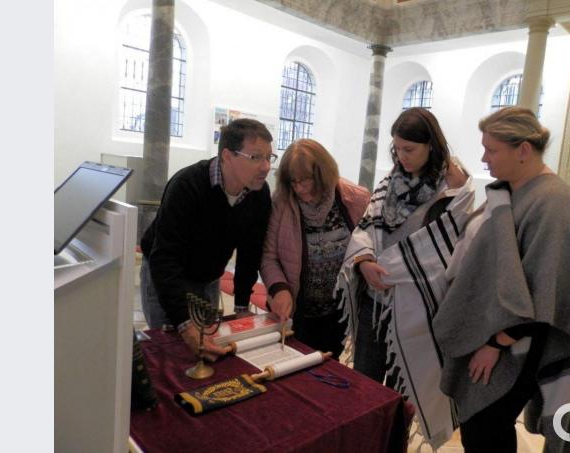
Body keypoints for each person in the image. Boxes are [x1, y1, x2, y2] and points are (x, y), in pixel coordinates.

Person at [433, 107, 570, 453]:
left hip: (521, 343)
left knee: (486, 426)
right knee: (483, 427)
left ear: (523, 150)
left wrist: (496, 343)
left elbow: (547, 296)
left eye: (492, 150)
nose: (484, 158)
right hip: (501, 335)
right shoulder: (511, 191)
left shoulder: (553, 202)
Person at [335, 107, 474, 449]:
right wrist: (365, 260)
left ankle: (393, 445)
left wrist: (397, 268)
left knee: (402, 390)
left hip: (415, 306)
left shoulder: (453, 188)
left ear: (431, 145)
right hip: (375, 300)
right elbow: (367, 226)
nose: (401, 156)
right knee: (366, 383)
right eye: (397, 149)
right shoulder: (390, 182)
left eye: (409, 149)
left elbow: (445, 250)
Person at [139, 118, 274, 361]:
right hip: (169, 274)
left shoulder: (259, 194)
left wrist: (242, 306)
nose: (265, 167)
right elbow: (164, 257)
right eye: (255, 157)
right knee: (170, 352)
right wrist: (183, 323)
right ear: (227, 156)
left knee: (207, 348)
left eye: (269, 157)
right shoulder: (187, 185)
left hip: (208, 276)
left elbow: (250, 252)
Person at [260, 139, 370, 359]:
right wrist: (279, 289)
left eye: (307, 180)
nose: (300, 188)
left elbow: (368, 246)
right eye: (294, 182)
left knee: (330, 367)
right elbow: (268, 256)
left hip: (339, 313)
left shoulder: (355, 199)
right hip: (297, 311)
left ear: (323, 174)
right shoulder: (282, 202)